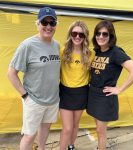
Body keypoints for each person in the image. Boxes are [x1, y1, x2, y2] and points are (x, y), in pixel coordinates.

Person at [7, 7, 60, 150]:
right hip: (34, 99)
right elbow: (11, 73)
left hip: (53, 99)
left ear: (56, 25)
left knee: (45, 130)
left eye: (52, 23)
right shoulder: (27, 45)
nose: (48, 26)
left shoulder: (56, 45)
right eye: (45, 22)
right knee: (29, 135)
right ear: (38, 24)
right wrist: (25, 95)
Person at [86, 20, 133, 150]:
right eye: (98, 33)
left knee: (101, 131)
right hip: (93, 94)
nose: (100, 36)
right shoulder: (96, 51)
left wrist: (120, 89)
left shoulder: (116, 52)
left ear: (111, 36)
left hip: (105, 97)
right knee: (98, 128)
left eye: (105, 34)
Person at [59, 21, 94, 150]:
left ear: (85, 36)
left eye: (81, 34)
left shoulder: (90, 54)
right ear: (70, 34)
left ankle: (71, 146)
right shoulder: (62, 52)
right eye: (74, 33)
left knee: (75, 125)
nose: (77, 37)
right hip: (65, 92)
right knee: (67, 128)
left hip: (82, 92)